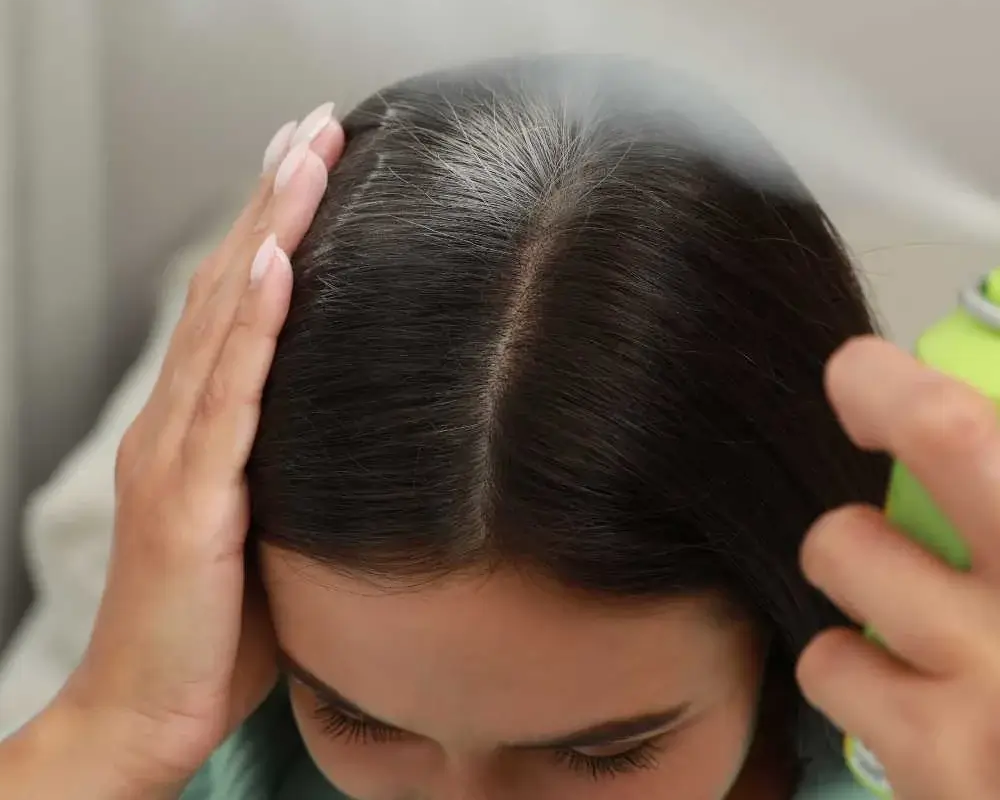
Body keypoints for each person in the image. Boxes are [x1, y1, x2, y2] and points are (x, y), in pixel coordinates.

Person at [2, 55, 999, 800]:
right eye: (353, 714)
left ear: (784, 625)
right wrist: (109, 727)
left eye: (601, 749)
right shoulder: (206, 758)